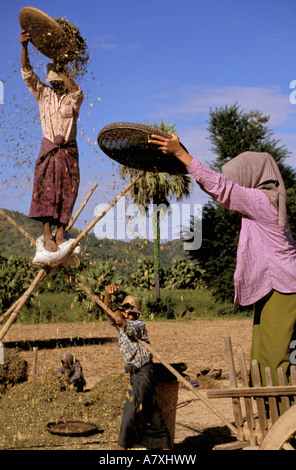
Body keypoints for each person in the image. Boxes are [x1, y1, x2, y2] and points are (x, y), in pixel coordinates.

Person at [149, 133, 296, 394]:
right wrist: (182, 156)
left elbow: (224, 189)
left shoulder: (263, 200)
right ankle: (269, 418)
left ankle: (284, 423)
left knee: (274, 361)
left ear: (254, 176)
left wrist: (183, 156)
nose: (236, 185)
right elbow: (218, 188)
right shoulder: (263, 201)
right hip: (274, 288)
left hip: (283, 290)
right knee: (260, 360)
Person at [20, 30, 83, 253]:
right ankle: (47, 235)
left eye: (59, 81)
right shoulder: (43, 94)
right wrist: (25, 48)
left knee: (68, 190)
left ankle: (60, 233)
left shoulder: (72, 97)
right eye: (54, 81)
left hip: (68, 151)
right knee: (45, 190)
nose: (56, 85)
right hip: (48, 149)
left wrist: (62, 70)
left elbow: (77, 92)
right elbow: (27, 74)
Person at [104, 284, 171, 450]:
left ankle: (120, 449)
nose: (126, 313)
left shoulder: (138, 325)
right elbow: (108, 312)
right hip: (137, 375)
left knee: (129, 415)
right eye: (125, 310)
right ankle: (166, 447)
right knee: (153, 415)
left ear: (135, 313)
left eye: (129, 311)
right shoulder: (122, 326)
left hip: (143, 374)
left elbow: (117, 318)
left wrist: (119, 311)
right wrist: (108, 295)